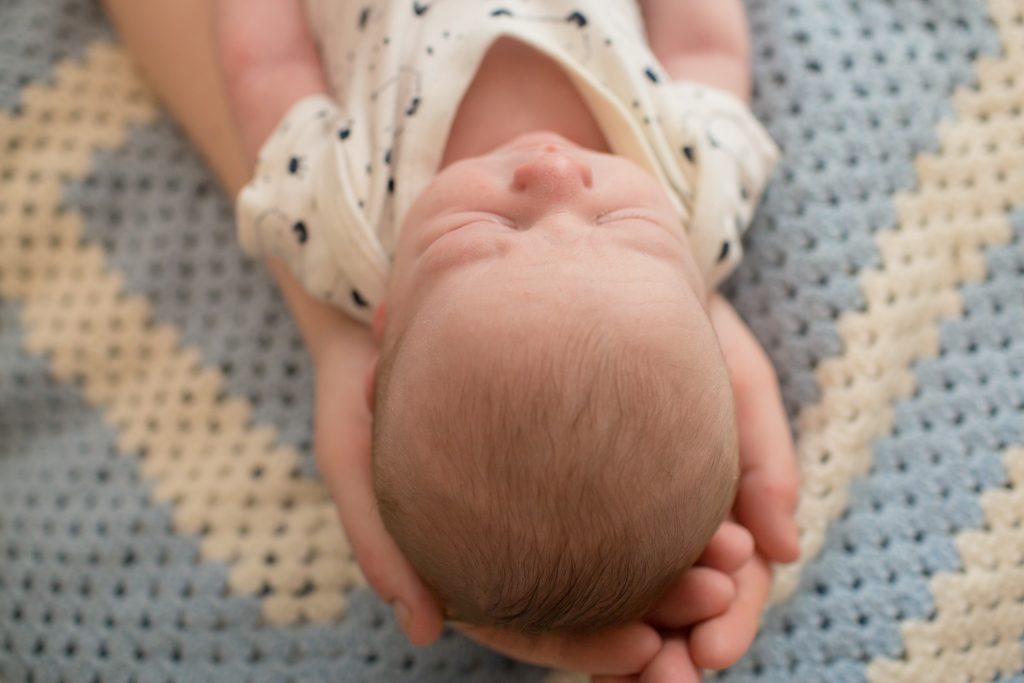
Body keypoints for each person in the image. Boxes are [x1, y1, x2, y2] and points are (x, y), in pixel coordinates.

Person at [102, 1, 800, 680]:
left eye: (486, 232)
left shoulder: (348, 224)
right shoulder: (697, 200)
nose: (554, 170)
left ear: (383, 335)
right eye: (618, 222)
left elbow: (264, 62)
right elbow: (705, 42)